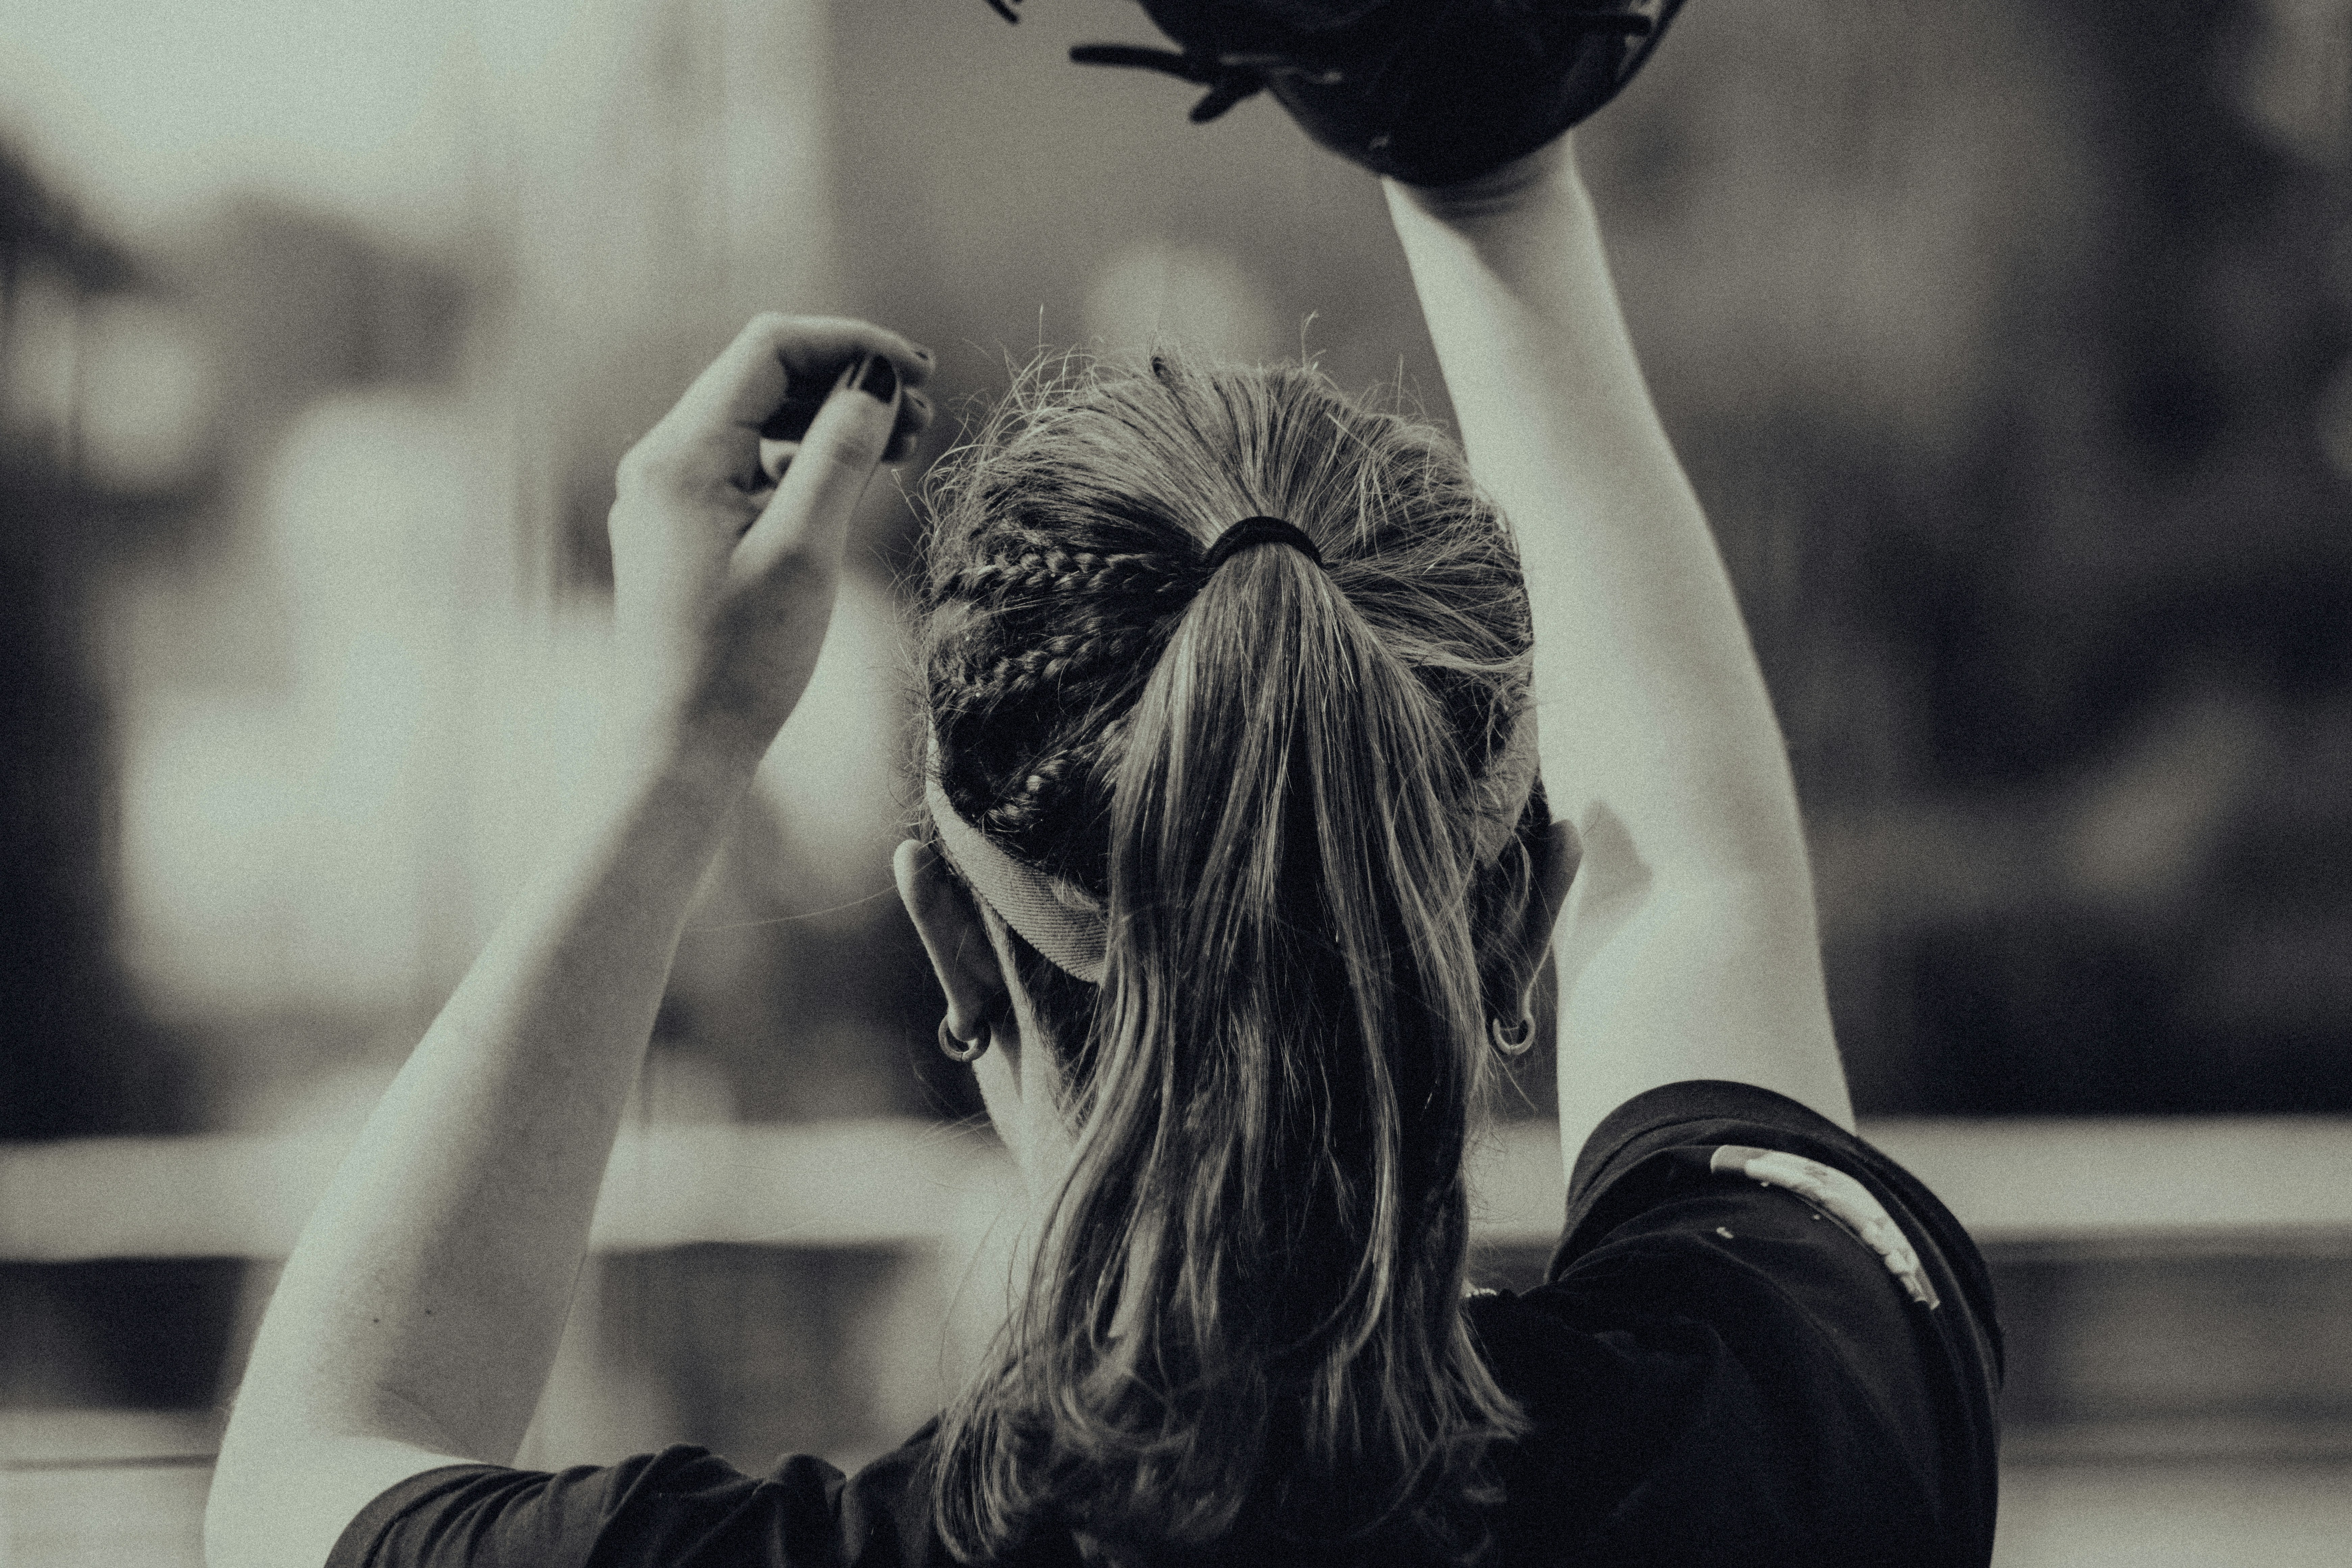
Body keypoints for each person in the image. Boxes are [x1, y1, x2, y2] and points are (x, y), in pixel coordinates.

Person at [206, 10, 2002, 1567]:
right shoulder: (1796, 1428)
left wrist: (677, 754)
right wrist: (1493, 180)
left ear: (960, 957)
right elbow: (1694, 887)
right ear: (1521, 921)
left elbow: (318, 1466)